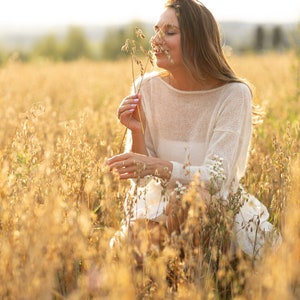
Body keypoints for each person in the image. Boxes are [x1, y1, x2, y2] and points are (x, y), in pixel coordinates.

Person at [107, 0, 280, 259]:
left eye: (169, 32)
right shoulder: (146, 87)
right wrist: (136, 130)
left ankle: (200, 278)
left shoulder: (234, 94)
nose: (155, 40)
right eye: (156, 30)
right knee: (135, 250)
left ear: (197, 40)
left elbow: (215, 179)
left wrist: (155, 165)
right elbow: (141, 180)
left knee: (189, 203)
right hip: (160, 207)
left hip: (214, 208)